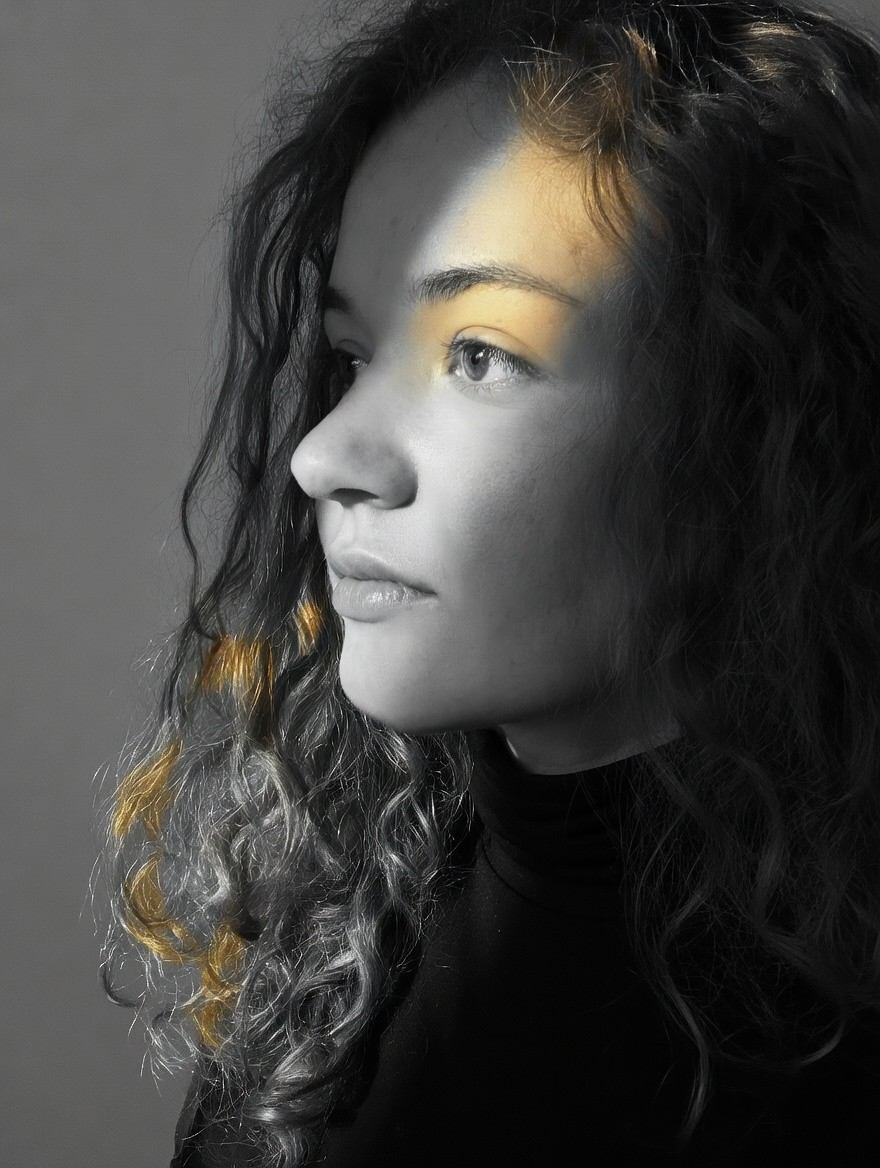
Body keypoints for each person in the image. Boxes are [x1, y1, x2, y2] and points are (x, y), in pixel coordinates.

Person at [94, 0, 880, 1164]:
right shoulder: (338, 948)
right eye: (356, 356)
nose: (324, 456)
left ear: (758, 428)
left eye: (479, 355)